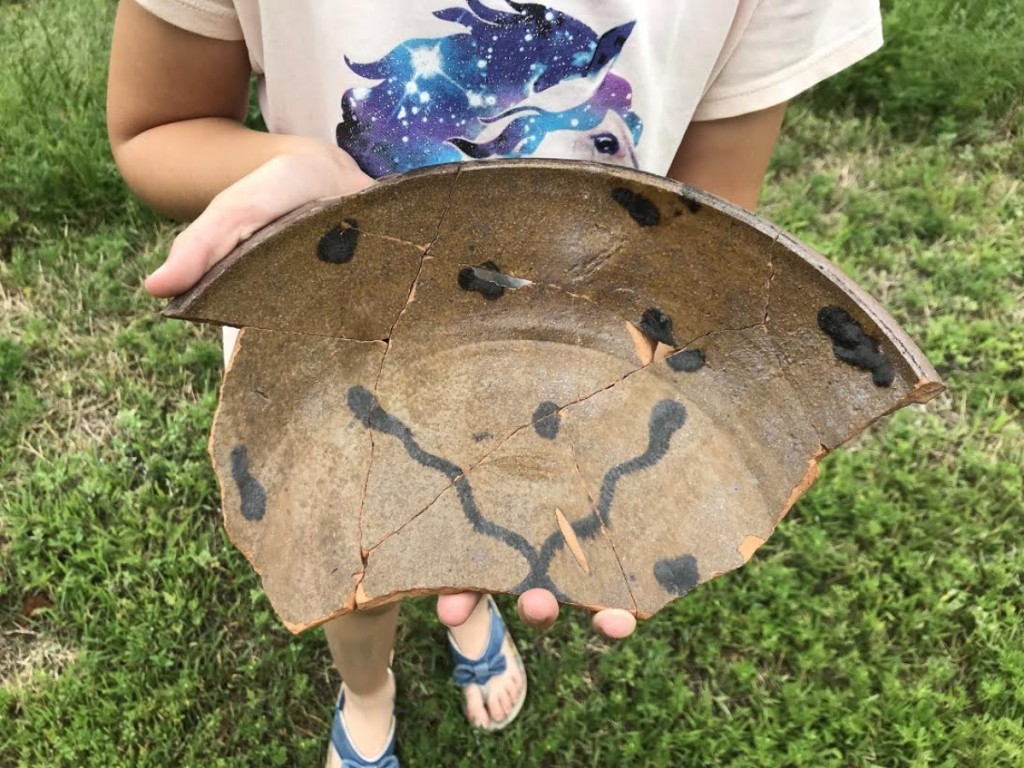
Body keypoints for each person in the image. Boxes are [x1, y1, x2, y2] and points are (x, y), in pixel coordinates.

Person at [107, 2, 883, 765]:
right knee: (355, 567)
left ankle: (468, 603)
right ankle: (369, 690)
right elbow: (154, 127)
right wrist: (304, 178)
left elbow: (711, 217)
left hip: (574, 360)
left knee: (492, 509)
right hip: (330, 338)